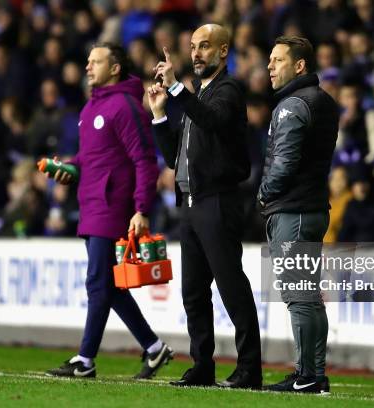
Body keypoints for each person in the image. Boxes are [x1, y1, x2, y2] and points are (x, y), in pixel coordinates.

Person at [46, 42, 173, 380]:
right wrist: (69, 167)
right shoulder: (90, 109)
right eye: (87, 61)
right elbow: (90, 159)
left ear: (115, 68)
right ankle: (154, 348)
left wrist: (142, 208)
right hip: (90, 204)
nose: (88, 67)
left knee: (97, 282)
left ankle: (85, 360)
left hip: (113, 207)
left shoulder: (126, 106)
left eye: (95, 61)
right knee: (110, 286)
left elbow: (145, 160)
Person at [146, 24, 262, 389]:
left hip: (217, 202)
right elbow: (172, 160)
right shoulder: (197, 98)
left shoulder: (227, 91)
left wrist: (178, 88)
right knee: (193, 293)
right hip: (191, 206)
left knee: (231, 288)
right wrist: (160, 115)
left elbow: (212, 121)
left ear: (224, 51)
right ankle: (202, 366)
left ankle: (249, 369)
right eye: (193, 46)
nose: (196, 53)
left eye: (204, 47)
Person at [258, 36, 339, 393]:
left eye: (277, 60)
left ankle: (307, 375)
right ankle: (312, 373)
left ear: (299, 66)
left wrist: (263, 193)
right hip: (313, 207)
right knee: (307, 295)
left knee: (298, 295)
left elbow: (284, 163)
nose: (269, 67)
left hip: (294, 210)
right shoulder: (323, 101)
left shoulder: (292, 105)